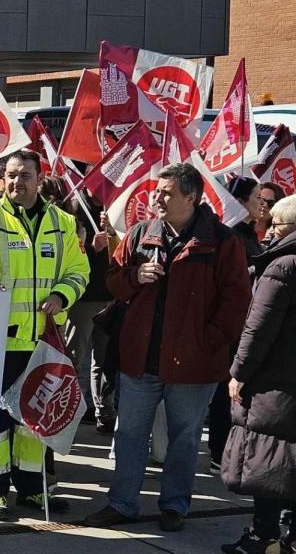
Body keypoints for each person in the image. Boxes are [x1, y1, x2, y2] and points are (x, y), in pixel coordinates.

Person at [84, 163, 252, 532]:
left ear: (191, 197)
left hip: (194, 366)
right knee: (128, 435)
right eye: (156, 191)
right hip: (139, 360)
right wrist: (134, 276)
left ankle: (175, 506)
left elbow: (237, 303)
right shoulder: (140, 233)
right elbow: (112, 281)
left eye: (166, 192)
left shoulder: (224, 243)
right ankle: (121, 503)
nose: (156, 198)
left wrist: (206, 342)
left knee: (185, 439)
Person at [0, 149, 90, 520]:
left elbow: (80, 273)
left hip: (45, 341)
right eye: (10, 175)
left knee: (36, 421)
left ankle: (32, 490)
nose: (17, 182)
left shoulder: (62, 222)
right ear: (0, 179)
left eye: (25, 175)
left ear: (39, 179)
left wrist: (62, 295)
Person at [220, 194, 296, 554]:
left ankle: (263, 538)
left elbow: (258, 328)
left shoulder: (282, 266)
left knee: (267, 465)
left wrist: (238, 373)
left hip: (275, 383)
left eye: (274, 226)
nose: (267, 232)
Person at [205, 177, 265, 475]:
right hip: (233, 326)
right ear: (239, 201)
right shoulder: (231, 236)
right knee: (225, 391)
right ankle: (220, 452)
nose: (262, 202)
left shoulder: (248, 235)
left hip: (245, 324)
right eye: (256, 196)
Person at [64, 192, 119, 432]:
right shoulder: (73, 206)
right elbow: (65, 252)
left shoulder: (117, 205)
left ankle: (104, 412)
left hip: (110, 296)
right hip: (82, 298)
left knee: (105, 360)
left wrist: (115, 235)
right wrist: (88, 245)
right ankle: (70, 412)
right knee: (75, 357)